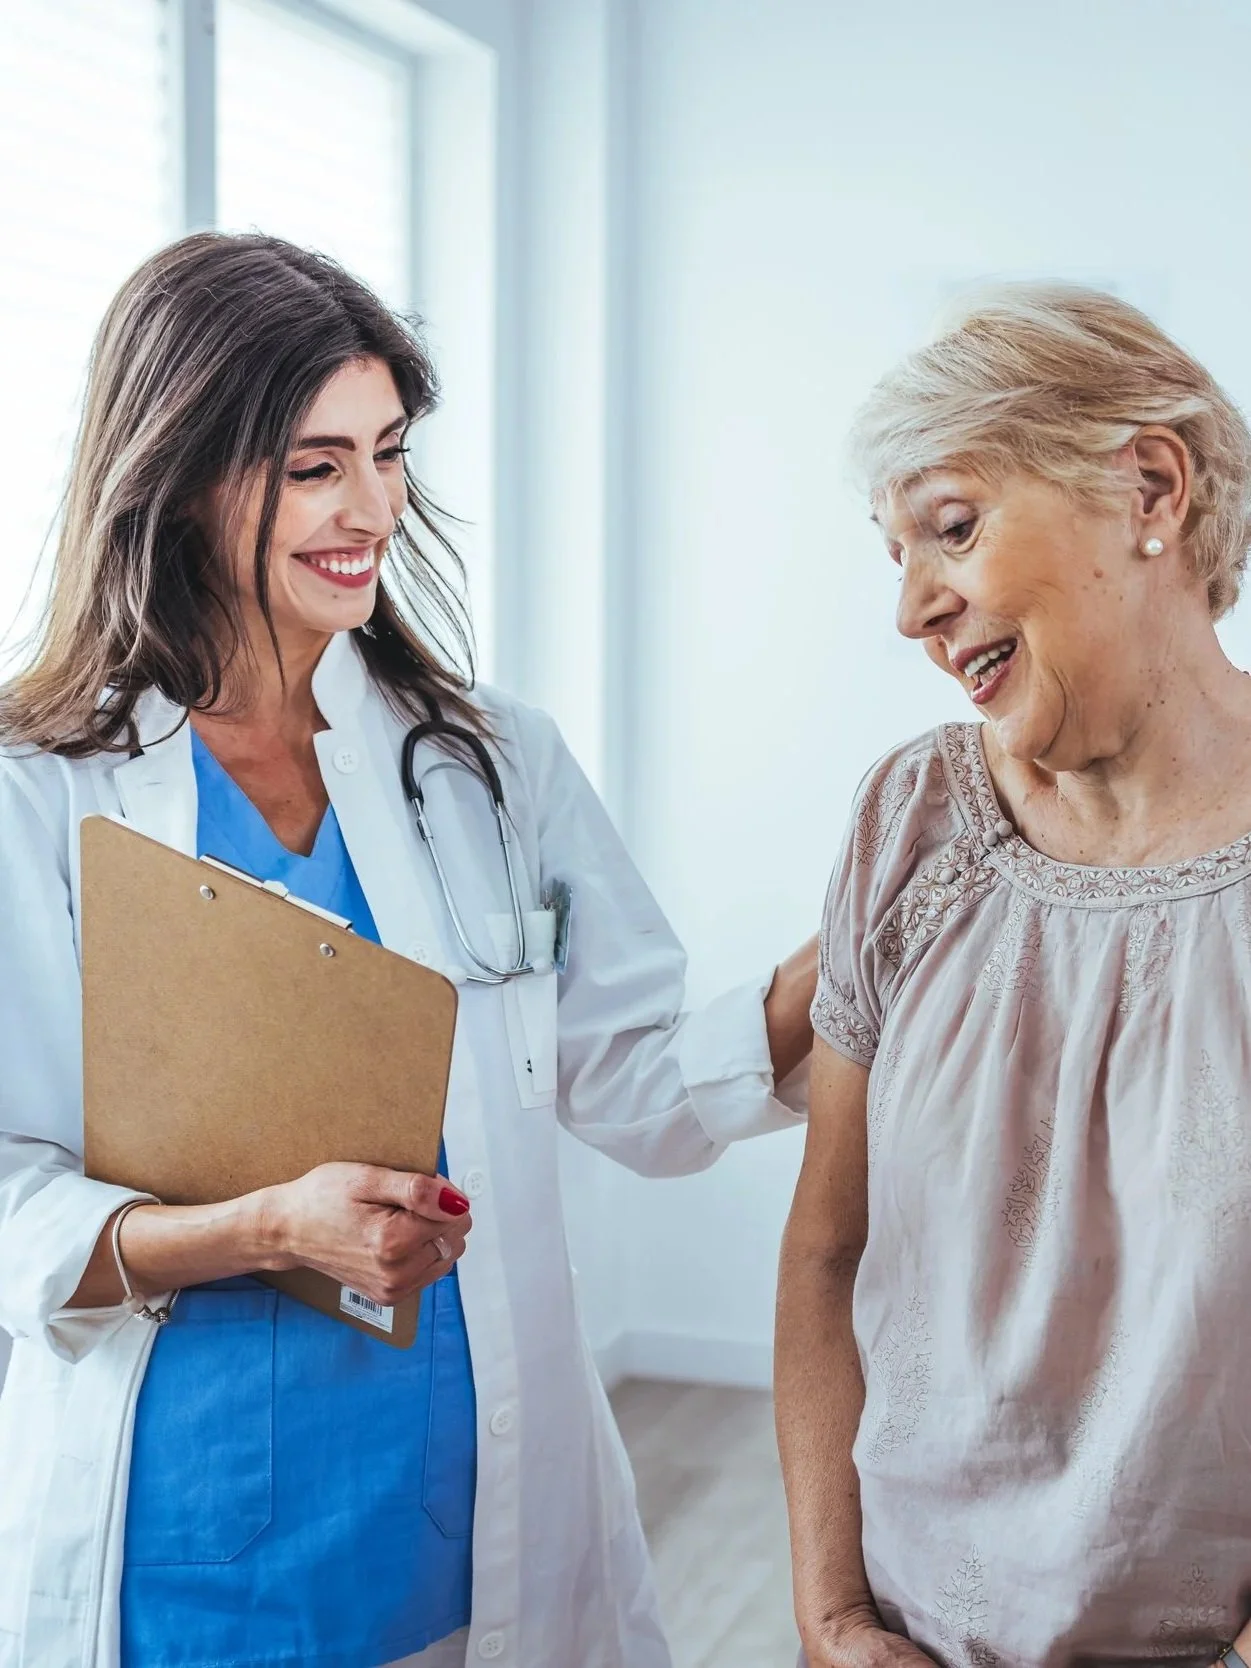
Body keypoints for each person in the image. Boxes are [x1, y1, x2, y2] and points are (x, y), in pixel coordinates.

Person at [0, 232, 815, 1668]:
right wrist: (262, 1231)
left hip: (466, 1513)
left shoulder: (488, 766)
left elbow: (632, 1079)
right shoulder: (38, 792)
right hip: (182, 1546)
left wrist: (858, 952)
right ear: (183, 476)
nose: (371, 506)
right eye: (317, 465)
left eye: (388, 451)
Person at [775, 283, 1251, 1668]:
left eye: (953, 526)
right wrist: (831, 1621)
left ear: (1147, 488)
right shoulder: (908, 821)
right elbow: (824, 1253)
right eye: (895, 554)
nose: (917, 606)